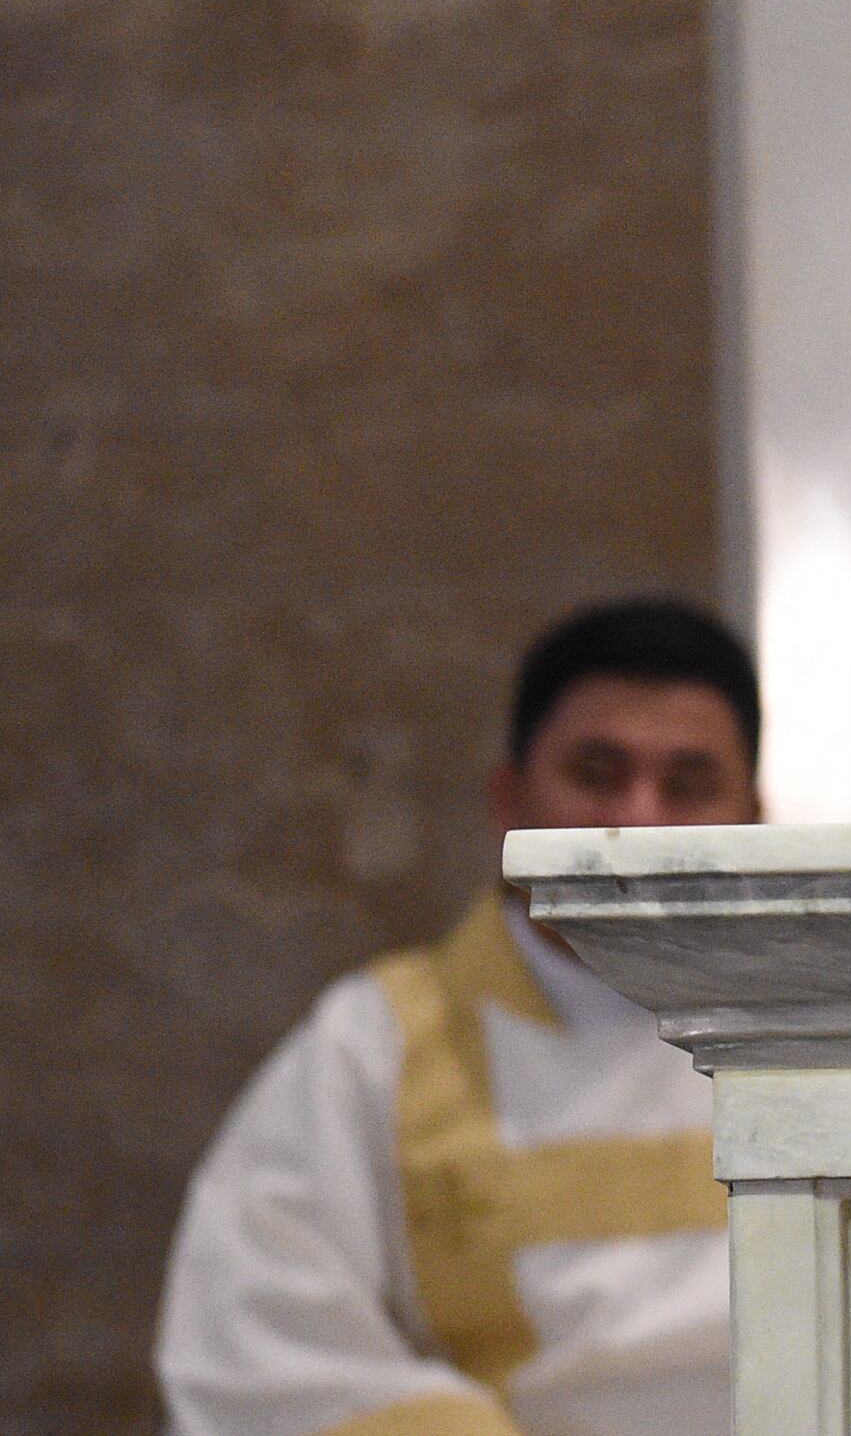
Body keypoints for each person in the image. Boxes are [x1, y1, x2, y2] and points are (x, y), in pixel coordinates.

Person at [157, 601, 764, 1436]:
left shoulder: (846, 1039)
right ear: (507, 798)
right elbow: (260, 1349)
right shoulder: (376, 1049)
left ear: (756, 817)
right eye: (597, 772)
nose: (640, 821)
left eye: (689, 785)